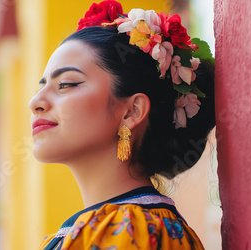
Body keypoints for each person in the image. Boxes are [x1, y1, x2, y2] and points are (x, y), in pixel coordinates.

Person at [28, 1, 215, 249]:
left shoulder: (130, 230)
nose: (35, 102)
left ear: (131, 111)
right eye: (42, 87)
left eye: (66, 84)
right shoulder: (130, 226)